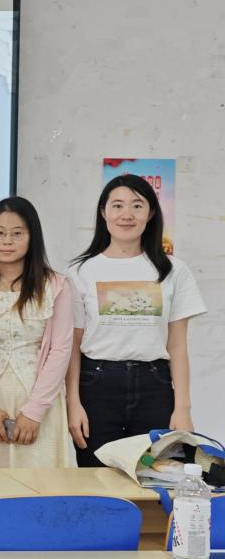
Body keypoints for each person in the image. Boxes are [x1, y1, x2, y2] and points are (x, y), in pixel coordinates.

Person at [66, 174, 205, 467]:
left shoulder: (173, 270)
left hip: (155, 386)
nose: (126, 214)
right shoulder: (80, 271)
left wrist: (183, 408)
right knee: (98, 479)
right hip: (96, 387)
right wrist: (72, 402)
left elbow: (177, 346)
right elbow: (73, 345)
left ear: (150, 213)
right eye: (117, 205)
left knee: (158, 477)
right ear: (103, 212)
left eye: (137, 205)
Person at [0, 197, 75, 469]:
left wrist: (34, 411)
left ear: (33, 237)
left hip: (41, 401)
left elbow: (61, 350)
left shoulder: (56, 285)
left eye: (17, 233)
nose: (7, 241)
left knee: (40, 484)